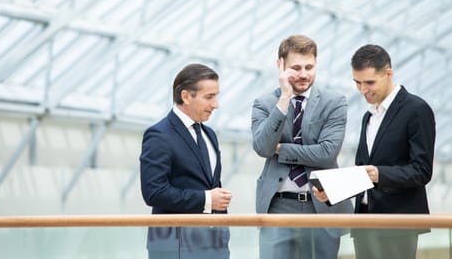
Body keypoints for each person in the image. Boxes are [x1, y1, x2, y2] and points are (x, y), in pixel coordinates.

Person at [314, 44, 436, 259]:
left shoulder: (416, 110)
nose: (363, 90)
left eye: (369, 82)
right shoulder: (368, 117)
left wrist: (379, 174)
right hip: (364, 221)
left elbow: (422, 171)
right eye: (357, 83)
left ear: (388, 74)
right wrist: (334, 191)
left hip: (397, 223)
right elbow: (364, 172)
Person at [251, 34, 353, 259]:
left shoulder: (334, 102)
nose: (304, 74)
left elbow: (327, 153)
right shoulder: (265, 103)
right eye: (296, 68)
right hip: (277, 207)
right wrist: (285, 98)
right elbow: (262, 147)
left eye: (310, 66)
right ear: (281, 65)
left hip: (322, 205)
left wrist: (282, 150)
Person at [140, 63, 232, 259]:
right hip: (176, 246)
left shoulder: (210, 134)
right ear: (186, 96)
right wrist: (207, 200)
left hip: (215, 245)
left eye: (216, 96)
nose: (216, 104)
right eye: (209, 97)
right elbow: (153, 192)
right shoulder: (159, 135)